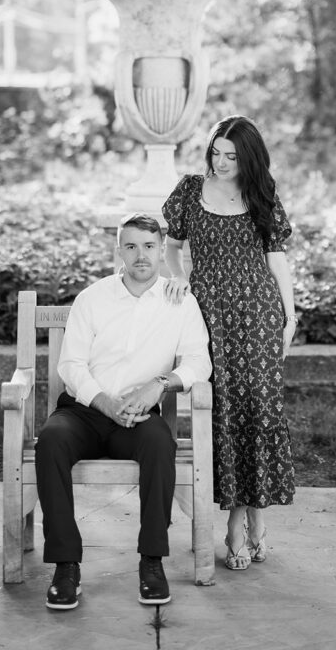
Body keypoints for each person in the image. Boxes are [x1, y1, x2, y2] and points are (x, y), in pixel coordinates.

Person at [35, 212, 211, 611]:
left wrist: (159, 385)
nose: (141, 255)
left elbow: (200, 363)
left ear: (161, 249)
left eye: (149, 246)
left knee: (158, 445)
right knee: (51, 442)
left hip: (138, 415)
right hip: (84, 411)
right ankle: (66, 566)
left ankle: (152, 561)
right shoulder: (93, 298)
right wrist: (105, 402)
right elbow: (71, 365)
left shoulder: (179, 301)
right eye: (131, 246)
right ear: (119, 251)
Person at [163, 115, 296, 571]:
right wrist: (179, 279)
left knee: (260, 410)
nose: (221, 163)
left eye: (231, 156)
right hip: (209, 315)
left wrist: (290, 315)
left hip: (258, 312)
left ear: (248, 158)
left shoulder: (262, 193)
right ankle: (243, 525)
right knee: (225, 412)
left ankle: (246, 523)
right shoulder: (189, 191)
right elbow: (172, 248)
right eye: (216, 153)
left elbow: (277, 260)